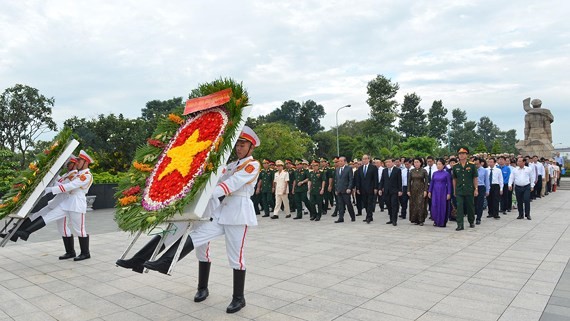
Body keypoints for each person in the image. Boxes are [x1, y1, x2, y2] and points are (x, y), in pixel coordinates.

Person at [10, 150, 94, 261]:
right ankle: (26, 232)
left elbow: (71, 186)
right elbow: (64, 184)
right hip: (67, 202)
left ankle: (85, 253)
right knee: (48, 217)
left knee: (79, 230)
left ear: (86, 162)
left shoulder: (86, 176)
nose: (77, 162)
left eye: (80, 160)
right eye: (77, 160)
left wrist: (50, 190)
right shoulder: (78, 174)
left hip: (77, 203)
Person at [1, 156, 78, 260]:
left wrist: (50, 188)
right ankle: (14, 232)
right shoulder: (66, 175)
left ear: (75, 164)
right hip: (57, 202)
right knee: (56, 226)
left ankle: (24, 233)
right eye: (67, 164)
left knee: (51, 220)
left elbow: (68, 189)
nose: (67, 166)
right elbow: (58, 180)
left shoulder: (75, 175)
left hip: (65, 204)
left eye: (69, 164)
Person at [452, 147, 478, 231]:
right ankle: (460, 224)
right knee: (459, 207)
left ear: (467, 155)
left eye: (463, 154)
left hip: (469, 189)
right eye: (460, 154)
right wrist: (454, 190)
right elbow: (454, 179)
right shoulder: (455, 166)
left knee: (470, 206)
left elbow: (475, 178)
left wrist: (476, 188)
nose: (461, 155)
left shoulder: (472, 165)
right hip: (459, 189)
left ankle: (471, 221)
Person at [354, 154, 378, 224]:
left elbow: (375, 178)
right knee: (365, 203)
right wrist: (357, 188)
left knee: (369, 203)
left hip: (371, 188)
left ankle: (368, 217)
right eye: (363, 159)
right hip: (362, 189)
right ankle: (370, 216)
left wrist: (376, 187)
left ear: (368, 159)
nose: (364, 160)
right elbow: (358, 180)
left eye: (365, 159)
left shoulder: (373, 168)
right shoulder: (360, 168)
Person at [428, 158, 452, 227]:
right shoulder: (435, 173)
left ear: (443, 165)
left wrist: (449, 193)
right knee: (434, 205)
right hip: (435, 191)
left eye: (440, 164)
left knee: (442, 206)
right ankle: (436, 220)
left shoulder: (446, 174)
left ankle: (442, 222)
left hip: (443, 191)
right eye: (437, 164)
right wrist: (429, 191)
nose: (438, 166)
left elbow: (449, 184)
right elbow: (432, 182)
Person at [378, 158, 402, 226]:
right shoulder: (384, 170)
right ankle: (391, 219)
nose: (387, 164)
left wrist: (400, 190)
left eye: (389, 162)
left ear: (393, 163)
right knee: (389, 205)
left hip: (394, 191)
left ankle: (394, 220)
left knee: (394, 205)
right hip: (386, 191)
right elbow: (382, 180)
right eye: (386, 162)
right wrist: (380, 189)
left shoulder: (397, 170)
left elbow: (399, 181)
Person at [334, 156, 355, 223]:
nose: (339, 162)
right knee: (340, 205)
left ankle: (352, 216)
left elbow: (351, 180)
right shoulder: (337, 169)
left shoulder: (348, 169)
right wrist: (336, 189)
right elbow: (336, 180)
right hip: (339, 190)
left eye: (341, 161)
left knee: (348, 204)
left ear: (345, 162)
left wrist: (349, 188)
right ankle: (341, 218)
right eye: (339, 161)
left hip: (346, 190)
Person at [408, 158, 428, 225]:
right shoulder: (411, 171)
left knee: (420, 204)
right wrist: (408, 190)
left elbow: (426, 182)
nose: (416, 163)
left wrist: (425, 190)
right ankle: (415, 219)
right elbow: (409, 181)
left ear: (420, 163)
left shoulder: (424, 171)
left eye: (417, 162)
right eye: (415, 162)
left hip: (421, 189)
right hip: (413, 189)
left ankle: (421, 219)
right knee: (414, 204)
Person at [474, 158, 489, 224]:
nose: (476, 165)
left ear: (480, 163)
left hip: (481, 186)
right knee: (473, 203)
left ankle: (478, 218)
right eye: (475, 164)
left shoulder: (484, 170)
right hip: (473, 187)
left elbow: (487, 180)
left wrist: (487, 190)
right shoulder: (472, 170)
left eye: (477, 164)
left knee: (480, 203)